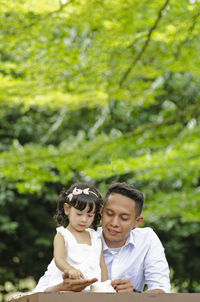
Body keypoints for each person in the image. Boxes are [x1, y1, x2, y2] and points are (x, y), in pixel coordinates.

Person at [33, 182, 171, 293]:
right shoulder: (79, 238)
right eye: (109, 214)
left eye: (123, 218)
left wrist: (134, 295)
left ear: (137, 222)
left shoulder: (147, 239)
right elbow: (40, 291)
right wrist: (62, 287)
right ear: (101, 211)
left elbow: (161, 289)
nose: (114, 223)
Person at [33, 182, 108, 293]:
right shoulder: (63, 235)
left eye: (89, 215)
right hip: (67, 287)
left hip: (91, 290)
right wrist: (70, 270)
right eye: (79, 214)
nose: (84, 219)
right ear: (67, 209)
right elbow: (59, 259)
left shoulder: (95, 237)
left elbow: (102, 265)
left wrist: (105, 285)